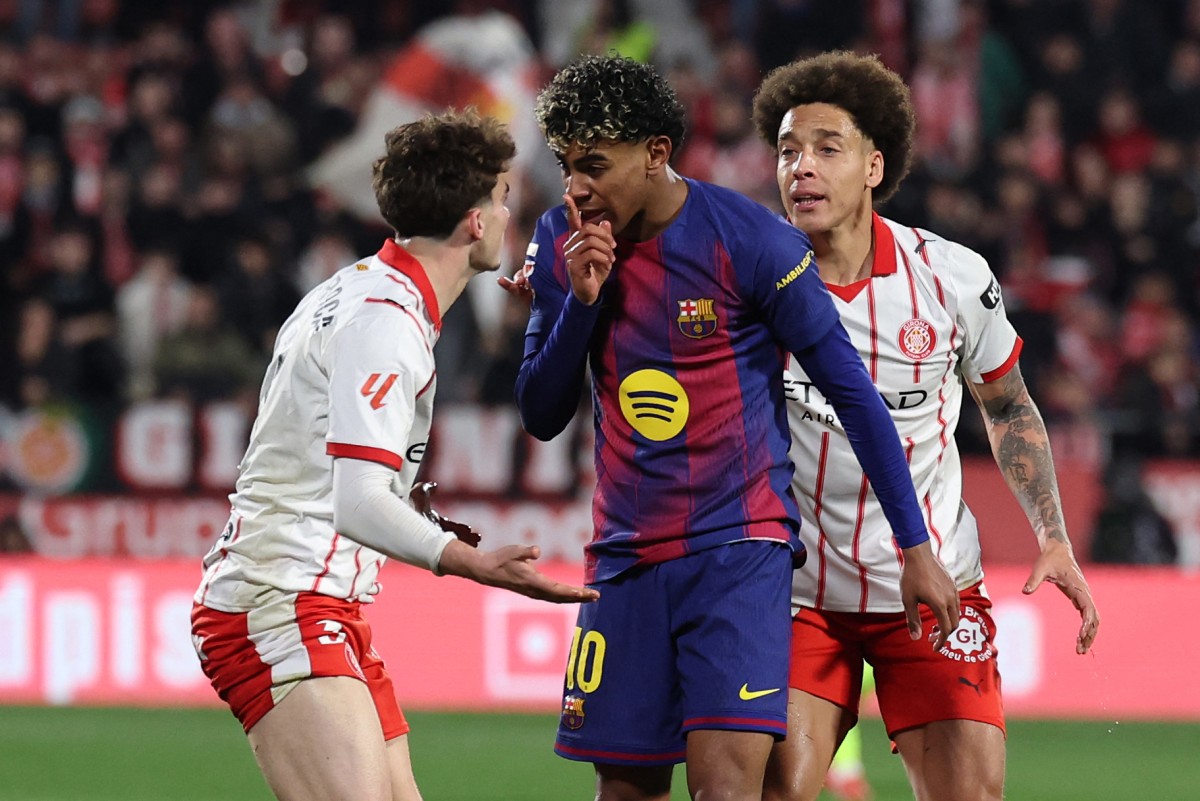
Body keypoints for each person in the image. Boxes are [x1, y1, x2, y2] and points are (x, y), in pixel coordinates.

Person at [511, 55, 959, 801]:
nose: (577, 186)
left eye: (594, 164)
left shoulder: (750, 242)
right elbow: (541, 413)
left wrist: (915, 546)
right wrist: (580, 302)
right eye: (566, 165)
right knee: (625, 794)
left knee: (727, 791)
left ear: (656, 153)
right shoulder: (563, 238)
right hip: (623, 561)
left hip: (737, 555)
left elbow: (855, 394)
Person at [189, 110, 599, 801]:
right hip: (279, 597)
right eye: (504, 197)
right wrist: (472, 562)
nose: (509, 214)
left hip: (324, 599)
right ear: (474, 221)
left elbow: (328, 454)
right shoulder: (387, 322)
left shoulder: (355, 289)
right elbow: (355, 502)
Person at [750, 51, 1101, 801]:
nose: (800, 168)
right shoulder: (746, 282)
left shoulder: (951, 277)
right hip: (796, 594)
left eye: (825, 148)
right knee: (770, 792)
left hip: (933, 590)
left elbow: (1008, 405)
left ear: (875, 166)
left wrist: (1053, 534)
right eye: (786, 150)